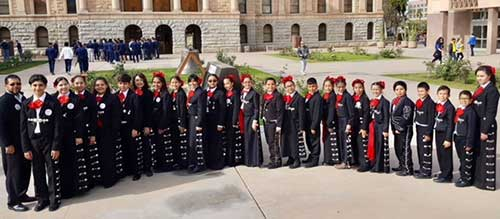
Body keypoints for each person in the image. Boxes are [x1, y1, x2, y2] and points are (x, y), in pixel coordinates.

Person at [20, 74, 63, 211]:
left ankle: (53, 199)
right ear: (31, 86)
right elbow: (23, 128)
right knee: (37, 171)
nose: (37, 88)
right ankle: (41, 199)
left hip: (49, 141)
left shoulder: (53, 102)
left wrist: (56, 146)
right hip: (34, 142)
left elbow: (58, 126)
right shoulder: (26, 103)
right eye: (34, 85)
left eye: (40, 85)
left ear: (45, 86)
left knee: (52, 170)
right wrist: (26, 148)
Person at [0, 75, 36, 212]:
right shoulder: (4, 101)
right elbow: (1, 125)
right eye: (12, 84)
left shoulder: (22, 98)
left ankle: (22, 194)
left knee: (25, 169)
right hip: (12, 145)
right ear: (6, 86)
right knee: (13, 173)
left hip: (24, 143)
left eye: (18, 83)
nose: (16, 86)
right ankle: (13, 201)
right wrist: (6, 144)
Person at [52, 77, 88, 198]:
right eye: (60, 85)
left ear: (69, 85)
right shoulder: (52, 99)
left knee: (73, 161)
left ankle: (75, 189)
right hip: (57, 137)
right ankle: (63, 190)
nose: (63, 87)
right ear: (56, 87)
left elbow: (80, 119)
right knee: (60, 163)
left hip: (71, 135)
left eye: (65, 84)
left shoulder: (76, 99)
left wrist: (79, 135)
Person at [472, 65, 499, 191]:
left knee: (486, 156)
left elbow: (490, 112)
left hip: (486, 127)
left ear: (489, 76)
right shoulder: (479, 89)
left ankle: (486, 183)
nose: (479, 78)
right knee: (478, 154)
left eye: (482, 76)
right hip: (476, 125)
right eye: (478, 76)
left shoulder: (492, 91)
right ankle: (477, 179)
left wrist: (485, 130)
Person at [93, 77, 121, 188]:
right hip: (97, 132)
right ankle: (102, 177)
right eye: (97, 85)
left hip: (108, 132)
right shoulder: (93, 98)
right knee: (100, 156)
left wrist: (114, 131)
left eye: (102, 84)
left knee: (108, 156)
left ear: (106, 85)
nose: (100, 87)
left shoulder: (112, 98)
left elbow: (116, 116)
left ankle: (110, 179)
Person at [71, 75, 99, 188]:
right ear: (73, 84)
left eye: (81, 83)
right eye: (76, 83)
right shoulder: (70, 97)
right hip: (76, 132)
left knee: (89, 156)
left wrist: (93, 134)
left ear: (85, 84)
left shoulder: (91, 97)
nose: (79, 85)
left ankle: (91, 181)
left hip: (87, 130)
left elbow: (93, 117)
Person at [116, 74, 143, 181]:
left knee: (133, 149)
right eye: (121, 83)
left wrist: (136, 128)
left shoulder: (133, 96)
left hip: (130, 126)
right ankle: (126, 170)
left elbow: (138, 113)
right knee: (123, 149)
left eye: (125, 84)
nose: (123, 86)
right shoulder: (115, 96)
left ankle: (136, 171)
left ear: (129, 84)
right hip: (120, 127)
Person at [150, 72, 174, 172]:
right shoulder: (154, 94)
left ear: (163, 83)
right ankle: (158, 164)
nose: (156, 84)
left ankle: (164, 166)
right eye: (154, 82)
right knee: (157, 145)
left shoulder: (165, 95)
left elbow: (166, 112)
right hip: (155, 124)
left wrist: (162, 126)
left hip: (161, 125)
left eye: (158, 82)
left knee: (163, 146)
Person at [454, 90, 478, 188]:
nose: (464, 100)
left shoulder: (470, 112)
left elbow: (471, 129)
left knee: (465, 160)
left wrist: (469, 143)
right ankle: (462, 175)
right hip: (457, 137)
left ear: (471, 100)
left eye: (466, 99)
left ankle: (467, 179)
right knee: (461, 159)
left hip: (465, 139)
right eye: (462, 98)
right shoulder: (459, 109)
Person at [390, 81, 415, 176]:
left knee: (405, 148)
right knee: (398, 148)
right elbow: (392, 115)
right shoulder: (394, 100)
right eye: (397, 89)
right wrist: (393, 128)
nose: (399, 91)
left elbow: (406, 116)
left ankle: (408, 169)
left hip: (405, 129)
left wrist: (399, 128)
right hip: (396, 129)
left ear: (405, 90)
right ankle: (401, 164)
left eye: (401, 89)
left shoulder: (407, 101)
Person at [281, 76, 305, 169]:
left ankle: (296, 159)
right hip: (286, 123)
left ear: (294, 86)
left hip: (295, 124)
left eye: (291, 86)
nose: (289, 88)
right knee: (287, 142)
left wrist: (301, 127)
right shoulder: (285, 98)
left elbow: (301, 114)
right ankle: (290, 157)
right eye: (287, 86)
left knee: (295, 142)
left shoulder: (299, 98)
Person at [132, 73, 154, 177]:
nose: (139, 82)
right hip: (135, 125)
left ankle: (147, 168)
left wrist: (147, 126)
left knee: (146, 147)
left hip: (145, 124)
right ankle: (137, 171)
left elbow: (149, 111)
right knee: (136, 149)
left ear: (144, 81)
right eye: (137, 80)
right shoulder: (132, 94)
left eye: (141, 80)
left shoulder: (148, 93)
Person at [413, 82, 436, 179]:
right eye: (419, 91)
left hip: (426, 129)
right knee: (420, 149)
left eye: (422, 91)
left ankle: (426, 171)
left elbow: (431, 119)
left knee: (426, 149)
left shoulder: (430, 103)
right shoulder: (419, 101)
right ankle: (422, 167)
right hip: (419, 127)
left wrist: (428, 133)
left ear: (427, 91)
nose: (420, 93)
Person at [240, 74, 263, 167]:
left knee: (251, 139)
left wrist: (255, 120)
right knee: (245, 139)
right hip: (243, 117)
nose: (247, 84)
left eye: (249, 82)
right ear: (242, 83)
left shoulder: (254, 93)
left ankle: (254, 161)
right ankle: (246, 159)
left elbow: (256, 108)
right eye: (245, 82)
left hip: (250, 118)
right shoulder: (242, 92)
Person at [433, 85, 455, 183]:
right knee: (440, 154)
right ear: (437, 94)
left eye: (445, 94)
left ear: (448, 95)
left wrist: (448, 139)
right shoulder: (437, 105)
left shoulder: (449, 107)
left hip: (445, 133)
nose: (442, 96)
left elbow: (451, 124)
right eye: (440, 94)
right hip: (438, 132)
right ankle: (443, 172)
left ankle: (447, 176)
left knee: (446, 155)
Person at [204, 74, 226, 170]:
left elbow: (222, 109)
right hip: (208, 121)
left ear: (217, 82)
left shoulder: (220, 93)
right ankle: (209, 162)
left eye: (214, 81)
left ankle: (217, 163)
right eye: (210, 81)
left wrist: (220, 123)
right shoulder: (206, 92)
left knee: (216, 143)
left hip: (216, 121)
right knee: (209, 142)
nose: (212, 83)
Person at [367, 81, 390, 173]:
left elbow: (386, 117)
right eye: (373, 89)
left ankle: (379, 166)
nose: (375, 91)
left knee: (380, 146)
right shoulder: (371, 101)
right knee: (373, 145)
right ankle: (373, 163)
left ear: (381, 90)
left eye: (377, 89)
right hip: (373, 125)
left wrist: (385, 129)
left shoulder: (385, 102)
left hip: (381, 126)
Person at [262, 77, 284, 169]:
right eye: (268, 84)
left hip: (274, 123)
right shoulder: (265, 95)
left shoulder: (277, 96)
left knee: (274, 142)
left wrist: (279, 125)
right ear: (265, 85)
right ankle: (272, 159)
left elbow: (280, 111)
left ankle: (277, 161)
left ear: (275, 85)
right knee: (269, 142)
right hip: (266, 122)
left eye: (272, 84)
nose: (270, 86)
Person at [186, 74, 207, 173]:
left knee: (196, 143)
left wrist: (199, 124)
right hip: (191, 119)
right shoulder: (192, 92)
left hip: (196, 120)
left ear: (198, 82)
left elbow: (201, 109)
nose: (192, 83)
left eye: (194, 81)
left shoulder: (200, 92)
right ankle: (192, 163)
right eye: (190, 81)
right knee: (191, 142)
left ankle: (199, 164)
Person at [333, 76, 354, 170]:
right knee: (340, 141)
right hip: (339, 121)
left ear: (345, 86)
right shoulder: (337, 96)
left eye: (342, 86)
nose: (340, 88)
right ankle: (342, 160)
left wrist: (349, 124)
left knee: (346, 142)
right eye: (338, 87)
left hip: (345, 120)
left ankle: (346, 161)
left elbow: (351, 113)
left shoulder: (347, 97)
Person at [223, 75, 243, 167]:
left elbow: (236, 108)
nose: (226, 85)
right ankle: (227, 159)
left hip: (232, 121)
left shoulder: (235, 94)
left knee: (232, 141)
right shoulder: (226, 93)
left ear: (232, 83)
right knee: (227, 140)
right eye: (224, 84)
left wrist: (234, 121)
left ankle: (232, 160)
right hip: (226, 120)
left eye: (227, 83)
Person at [351, 79, 370, 171]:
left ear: (363, 88)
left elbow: (367, 114)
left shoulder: (365, 99)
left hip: (361, 125)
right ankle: (356, 161)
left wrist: (364, 128)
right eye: (356, 88)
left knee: (362, 144)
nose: (358, 90)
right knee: (354, 144)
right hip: (354, 125)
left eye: (360, 87)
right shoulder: (352, 98)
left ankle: (365, 164)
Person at [170, 76, 188, 169]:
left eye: (176, 82)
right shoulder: (173, 93)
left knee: (180, 143)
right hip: (173, 121)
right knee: (175, 143)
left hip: (179, 121)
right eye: (172, 83)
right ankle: (177, 161)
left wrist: (182, 124)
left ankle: (182, 163)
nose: (174, 84)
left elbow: (182, 110)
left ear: (180, 83)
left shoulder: (181, 94)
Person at [303, 78, 322, 168]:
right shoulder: (308, 96)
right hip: (307, 123)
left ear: (317, 86)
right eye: (309, 86)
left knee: (314, 141)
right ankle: (311, 156)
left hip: (313, 124)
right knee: (309, 141)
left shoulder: (317, 98)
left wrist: (314, 126)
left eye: (313, 86)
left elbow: (317, 114)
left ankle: (315, 159)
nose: (311, 88)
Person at [322, 76, 338, 165]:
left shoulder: (332, 96)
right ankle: (326, 158)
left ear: (332, 87)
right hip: (325, 121)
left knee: (330, 141)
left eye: (329, 86)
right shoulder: (325, 96)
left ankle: (330, 160)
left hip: (330, 122)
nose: (327, 88)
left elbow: (332, 110)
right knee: (325, 140)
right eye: (326, 86)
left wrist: (329, 123)